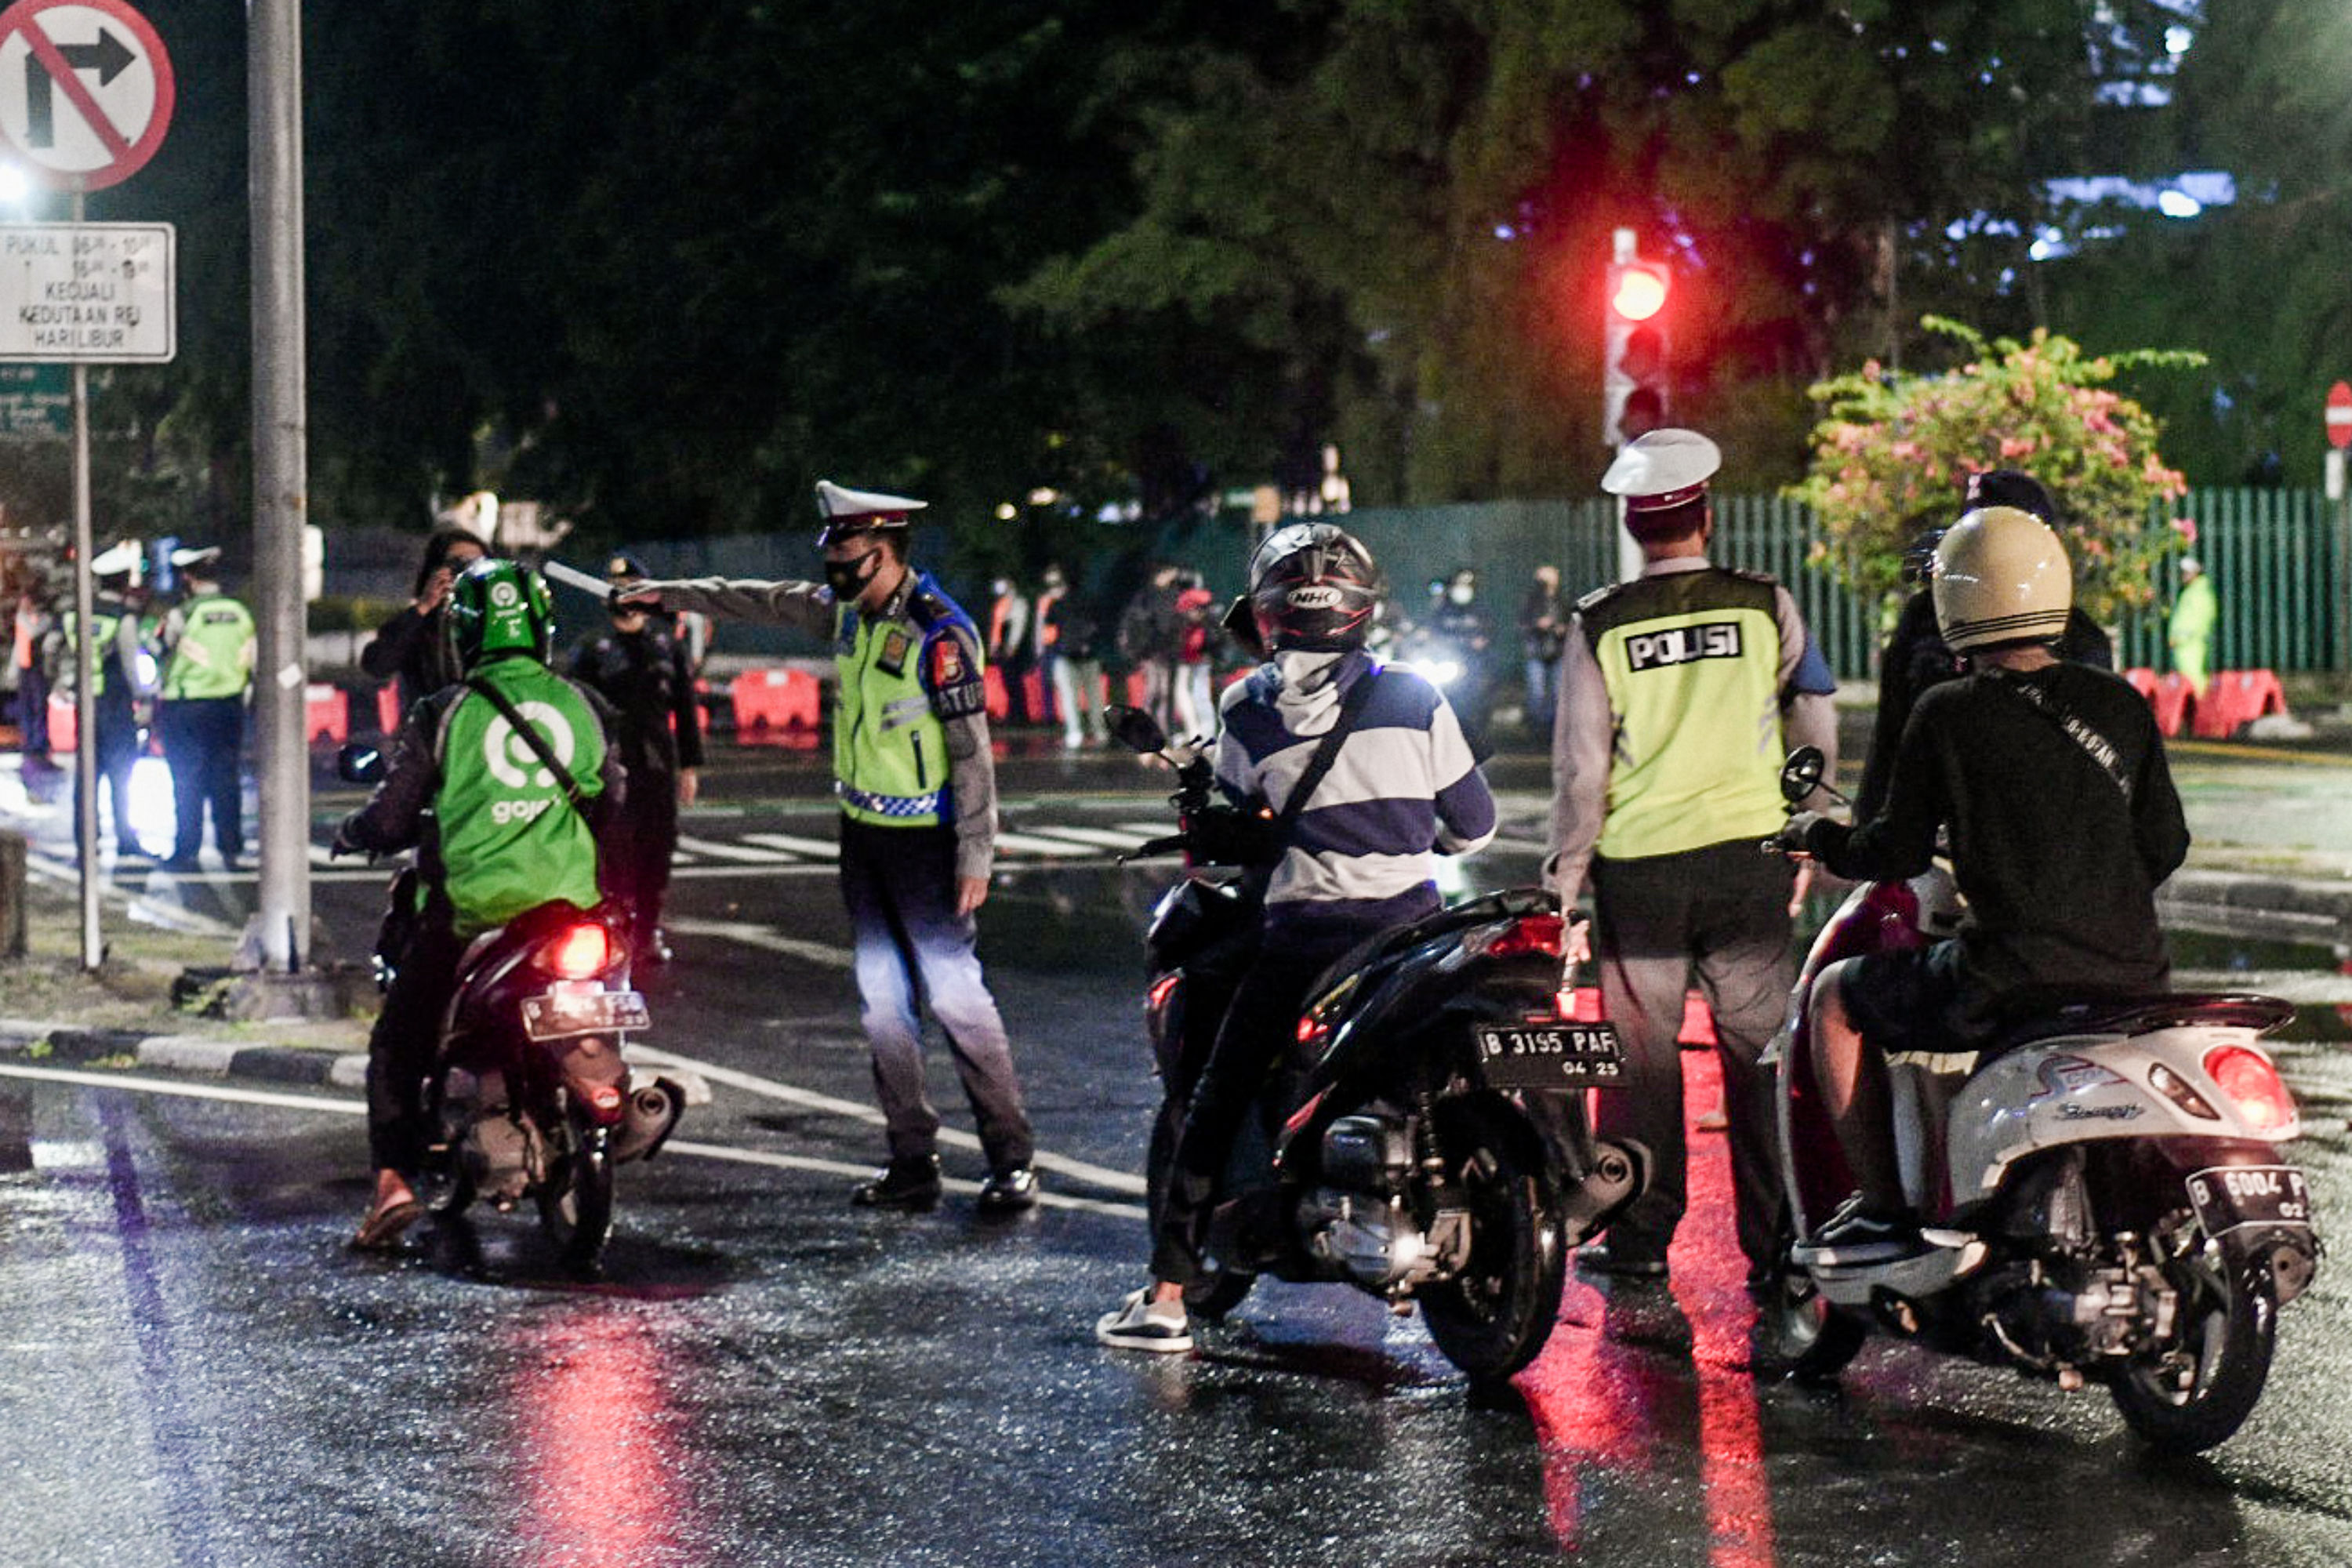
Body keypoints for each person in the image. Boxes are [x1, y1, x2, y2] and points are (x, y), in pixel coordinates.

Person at [1096, 522, 1497, 1352]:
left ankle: (1166, 1297)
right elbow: (1474, 826)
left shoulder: (1247, 706)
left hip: (1307, 939)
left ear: (1270, 613)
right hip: (1413, 936)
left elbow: (1240, 814)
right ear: (1360, 607)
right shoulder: (1416, 696)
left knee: (1213, 1095)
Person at [620, 481, 1039, 1214]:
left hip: (929, 846)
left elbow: (972, 753)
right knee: (883, 1003)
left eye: (850, 559)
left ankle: (1011, 1159)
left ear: (888, 552)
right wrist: (668, 596)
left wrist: (977, 852)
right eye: (833, 559)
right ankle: (912, 1160)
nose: (836, 573)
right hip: (864, 838)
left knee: (956, 999)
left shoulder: (940, 633)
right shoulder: (846, 613)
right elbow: (758, 600)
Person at [1784, 506, 2188, 1261]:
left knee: (1836, 996)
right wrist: (2087, 885)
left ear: (1955, 599)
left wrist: (1816, 837)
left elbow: (1894, 849)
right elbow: (2166, 844)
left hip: (2008, 979)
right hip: (2137, 975)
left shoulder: (1947, 711)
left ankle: (1880, 1209)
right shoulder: (2119, 700)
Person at [1546, 428, 1838, 1287]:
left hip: (1640, 871)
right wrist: (1809, 824)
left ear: (1634, 525)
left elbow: (1582, 770)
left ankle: (1640, 1237)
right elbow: (1813, 715)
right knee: (1760, 1056)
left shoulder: (1600, 623)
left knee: (1640, 1062)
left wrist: (1564, 884)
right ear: (1706, 516)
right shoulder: (1765, 603)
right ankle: (1778, 1245)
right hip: (1748, 860)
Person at [334, 559, 620, 1250]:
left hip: (475, 913)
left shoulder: (445, 712)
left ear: (463, 634)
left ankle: (393, 1183)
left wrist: (356, 833)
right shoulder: (584, 704)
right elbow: (614, 798)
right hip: (570, 908)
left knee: (398, 1040)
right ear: (543, 631)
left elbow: (394, 815)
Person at [1856, 470, 2111, 821]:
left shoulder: (2080, 639)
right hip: (1938, 829)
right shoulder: (1923, 620)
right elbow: (1891, 734)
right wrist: (1869, 820)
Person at [570, 553, 703, 966]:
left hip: (656, 765)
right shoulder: (592, 649)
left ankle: (647, 929)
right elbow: (576, 710)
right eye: (617, 589)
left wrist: (690, 766)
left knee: (657, 848)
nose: (624, 596)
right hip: (609, 768)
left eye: (632, 588)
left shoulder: (665, 644)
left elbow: (685, 705)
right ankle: (616, 930)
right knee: (614, 852)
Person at [48, 541, 152, 859]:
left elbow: (50, 647)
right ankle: (126, 839)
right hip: (115, 704)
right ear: (123, 582)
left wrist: (59, 681)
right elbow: (131, 663)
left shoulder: (74, 614)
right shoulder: (123, 618)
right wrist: (144, 699)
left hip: (85, 704)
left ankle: (86, 839)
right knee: (121, 774)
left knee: (87, 775)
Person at [155, 546, 256, 871]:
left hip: (186, 707)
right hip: (228, 705)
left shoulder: (181, 614)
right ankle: (231, 847)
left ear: (188, 578)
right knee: (226, 778)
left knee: (187, 779)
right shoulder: (241, 612)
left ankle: (187, 849)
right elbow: (251, 658)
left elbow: (159, 648)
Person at [361, 526, 488, 715]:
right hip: (437, 723)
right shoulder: (422, 623)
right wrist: (424, 607)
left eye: (478, 563)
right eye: (458, 564)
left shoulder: (498, 620)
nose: (469, 572)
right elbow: (378, 664)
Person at [1038, 565, 1107, 749]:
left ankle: (1075, 733)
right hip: (1090, 655)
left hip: (1065, 656)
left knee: (1070, 697)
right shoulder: (1091, 601)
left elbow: (1049, 632)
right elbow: (1101, 626)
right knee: (1095, 697)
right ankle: (1099, 731)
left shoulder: (1057, 604)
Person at [1118, 563, 1181, 735]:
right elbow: (1135, 624)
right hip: (1151, 651)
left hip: (1166, 650)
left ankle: (1163, 729)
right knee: (1155, 690)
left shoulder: (1171, 594)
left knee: (1164, 692)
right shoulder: (1147, 596)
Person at [1519, 564, 1566, 732]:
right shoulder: (1531, 602)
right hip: (1537, 651)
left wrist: (1562, 628)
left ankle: (1553, 726)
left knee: (1557, 691)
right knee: (1537, 691)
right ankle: (1537, 726)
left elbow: (1569, 621)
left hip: (1557, 650)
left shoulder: (1561, 601)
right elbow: (1522, 624)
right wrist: (1537, 624)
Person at [1171, 569, 1218, 739]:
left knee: (1182, 691)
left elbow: (1177, 624)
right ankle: (1209, 734)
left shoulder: (1184, 599)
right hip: (1205, 651)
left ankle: (1193, 732)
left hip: (1187, 651)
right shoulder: (1207, 597)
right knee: (1202, 694)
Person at [985, 575, 1033, 726]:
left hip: (1012, 648)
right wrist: (993, 646)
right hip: (1002, 646)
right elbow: (996, 626)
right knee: (1008, 683)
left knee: (1015, 682)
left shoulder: (1018, 603)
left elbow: (1018, 626)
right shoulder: (1000, 604)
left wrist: (1012, 645)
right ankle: (1014, 714)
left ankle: (1021, 716)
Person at [2169, 555, 2217, 699]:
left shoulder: (2198, 594)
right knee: (2189, 676)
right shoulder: (2193, 592)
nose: (2183, 575)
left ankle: (2200, 702)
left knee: (2193, 676)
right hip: (2186, 643)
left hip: (2190, 643)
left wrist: (2180, 637)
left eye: (2186, 572)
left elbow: (2195, 620)